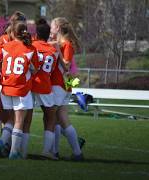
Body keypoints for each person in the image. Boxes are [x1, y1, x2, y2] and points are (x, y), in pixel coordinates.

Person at [0, 21, 39, 159]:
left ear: (12, 33)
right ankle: (14, 152)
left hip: (5, 87)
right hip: (21, 88)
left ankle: (2, 141)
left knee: (10, 118)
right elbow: (35, 70)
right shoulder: (30, 49)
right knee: (19, 121)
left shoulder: (5, 46)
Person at [0, 12, 27, 157]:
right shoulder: (23, 42)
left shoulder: (2, 39)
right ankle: (5, 145)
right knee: (16, 119)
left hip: (4, 82)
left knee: (0, 115)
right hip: (18, 84)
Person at [49, 17, 84, 160]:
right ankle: (68, 152)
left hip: (61, 85)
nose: (50, 27)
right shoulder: (59, 44)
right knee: (58, 120)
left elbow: (67, 66)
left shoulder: (66, 44)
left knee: (58, 119)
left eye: (52, 25)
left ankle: (75, 153)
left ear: (58, 28)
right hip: (60, 85)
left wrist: (58, 51)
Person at [31, 18, 58, 159]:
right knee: (51, 116)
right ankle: (47, 151)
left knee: (22, 118)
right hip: (44, 85)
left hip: (29, 85)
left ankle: (17, 149)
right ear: (48, 36)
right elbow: (52, 70)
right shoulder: (53, 51)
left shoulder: (31, 46)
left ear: (36, 34)